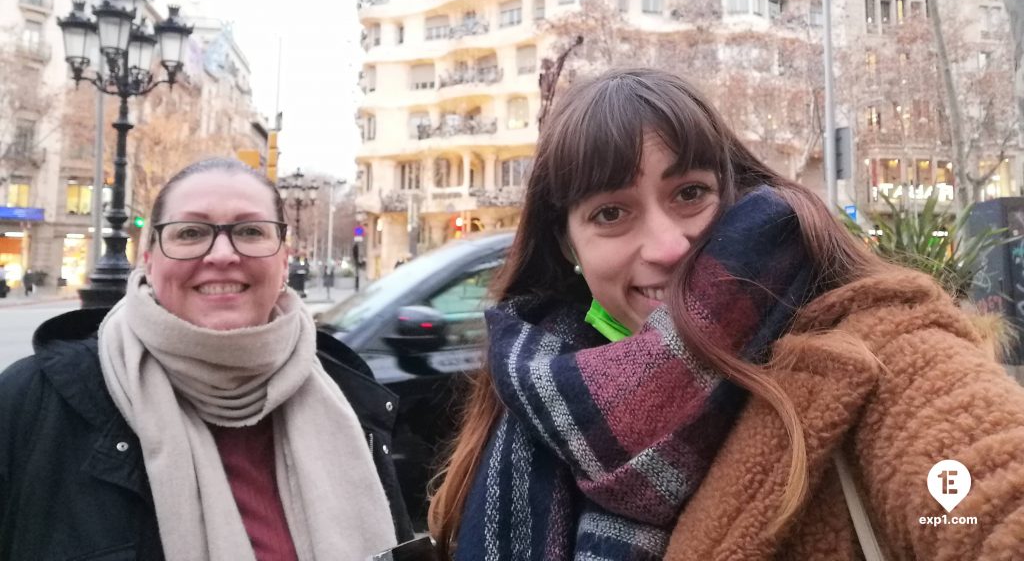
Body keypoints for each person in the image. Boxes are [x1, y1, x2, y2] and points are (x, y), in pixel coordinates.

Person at [428, 68, 1024, 560]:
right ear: (567, 245)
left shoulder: (878, 350)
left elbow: (992, 487)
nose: (666, 247)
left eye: (688, 193)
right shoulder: (532, 400)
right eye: (611, 213)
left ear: (734, 193)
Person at [0, 157, 412, 560]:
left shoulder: (350, 398)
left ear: (284, 257)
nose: (221, 254)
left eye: (250, 231)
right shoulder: (32, 403)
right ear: (149, 257)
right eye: (191, 232)